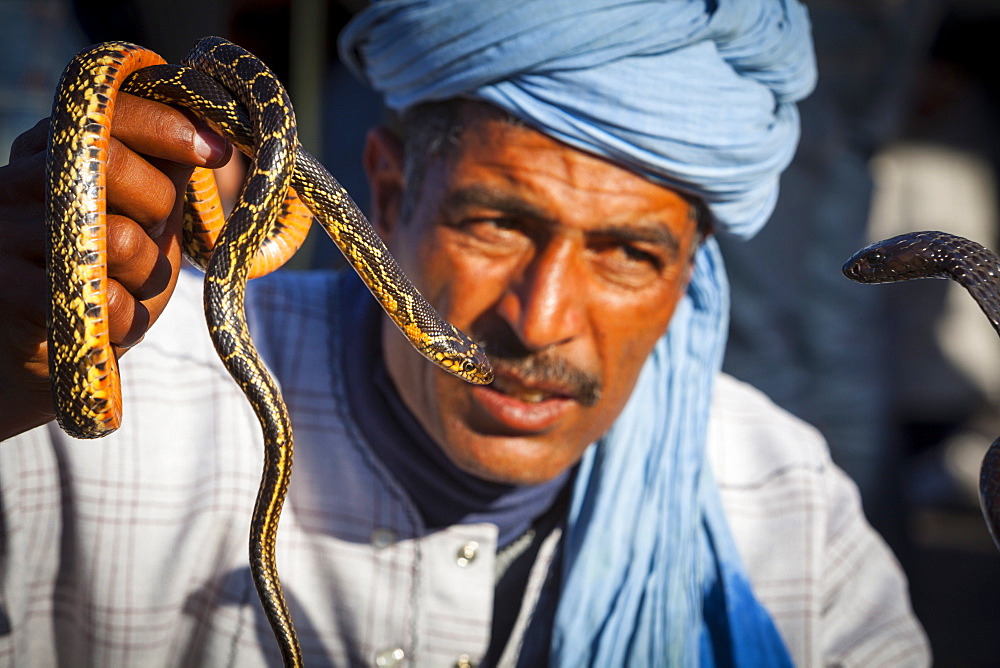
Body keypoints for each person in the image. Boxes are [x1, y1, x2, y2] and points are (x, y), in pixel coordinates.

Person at [0, 1, 930, 666]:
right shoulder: (115, 396)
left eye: (627, 254)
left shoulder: (788, 505)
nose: (540, 321)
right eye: (495, 224)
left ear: (692, 270)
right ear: (392, 191)